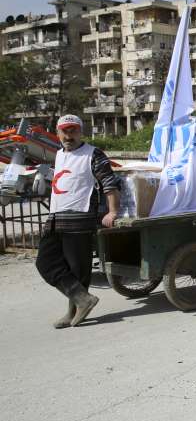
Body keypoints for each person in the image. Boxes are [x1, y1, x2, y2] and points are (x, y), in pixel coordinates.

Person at [35, 114, 120, 328]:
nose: (68, 135)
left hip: (79, 219)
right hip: (55, 218)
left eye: (73, 130)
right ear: (58, 133)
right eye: (64, 131)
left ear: (81, 132)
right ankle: (83, 300)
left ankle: (74, 310)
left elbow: (109, 183)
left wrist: (112, 211)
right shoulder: (59, 155)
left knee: (78, 269)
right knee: (45, 261)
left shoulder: (93, 154)